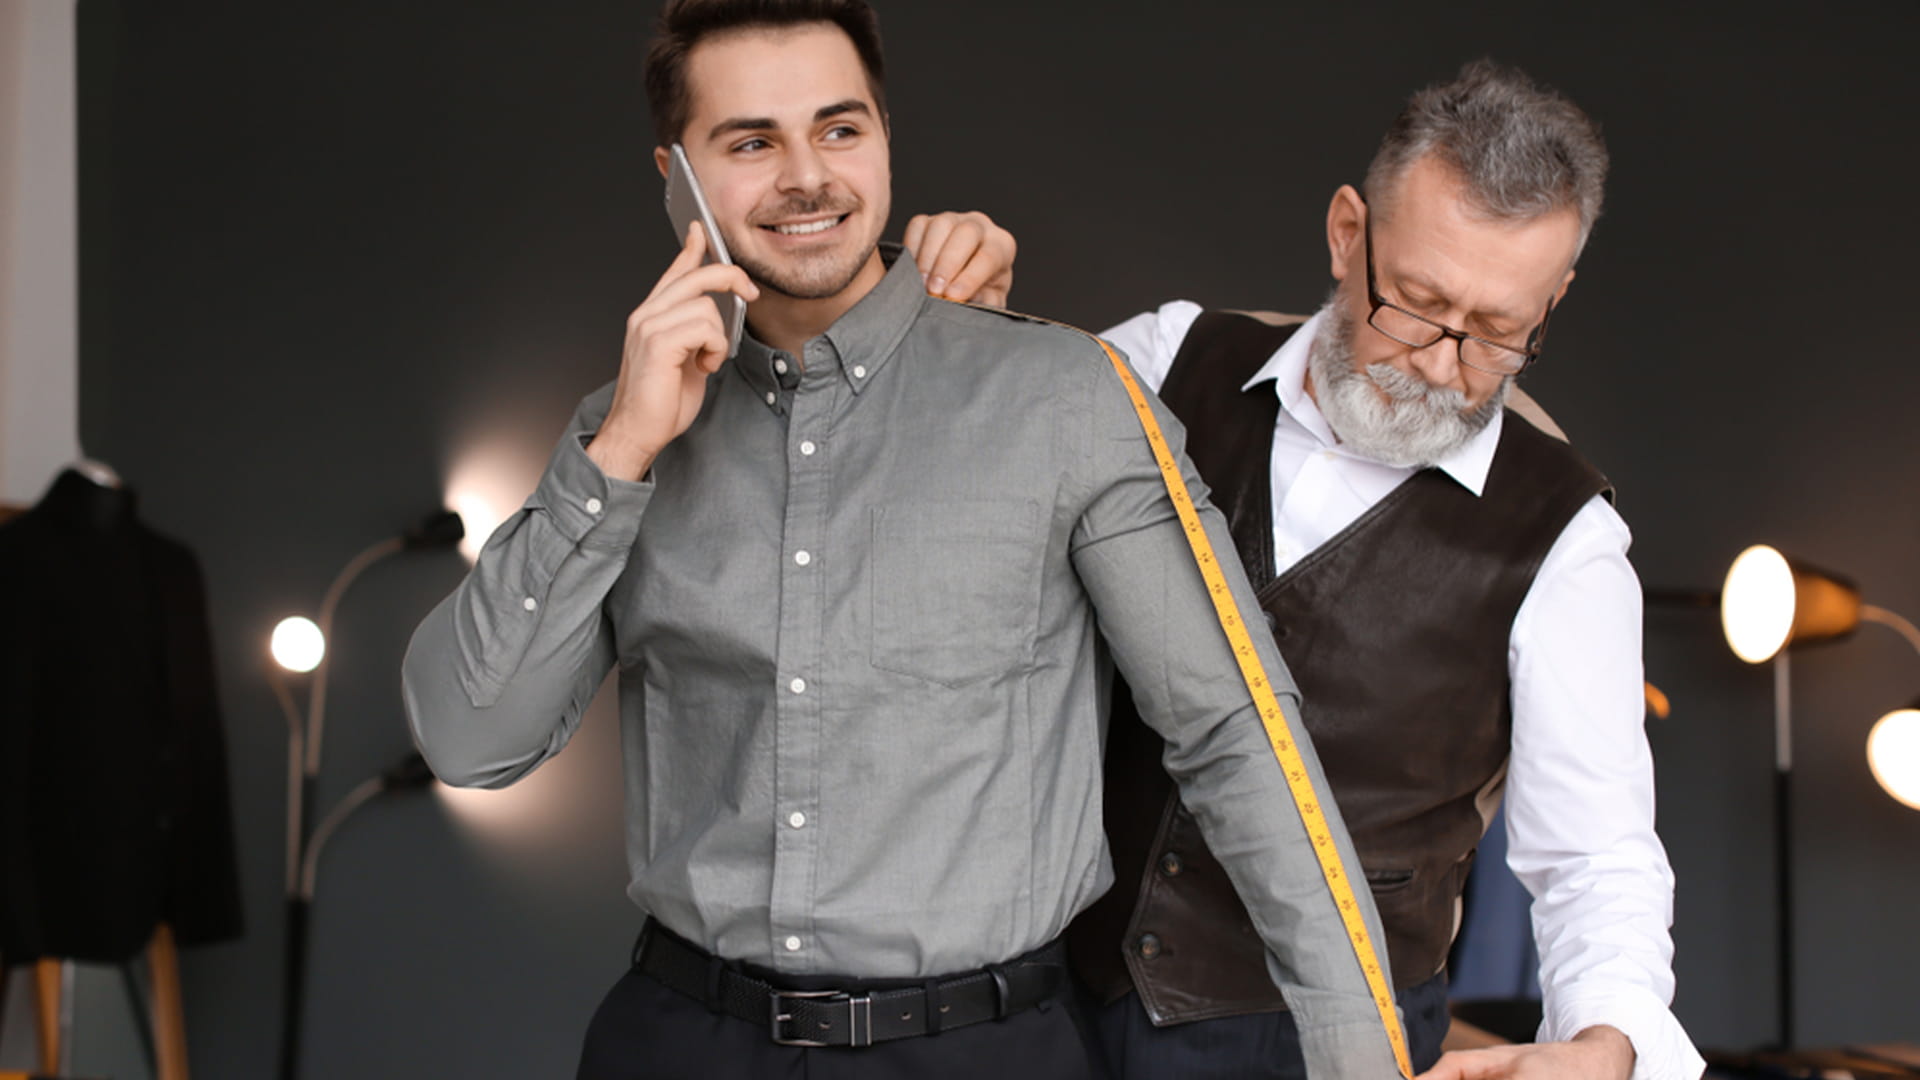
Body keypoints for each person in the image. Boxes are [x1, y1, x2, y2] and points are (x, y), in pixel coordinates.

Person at [401, 2, 1406, 1077]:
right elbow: (469, 741)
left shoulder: (1066, 398)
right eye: (751, 143)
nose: (807, 178)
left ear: (884, 134)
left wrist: (1359, 1055)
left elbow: (1234, 731)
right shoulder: (627, 433)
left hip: (982, 1049)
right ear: (675, 173)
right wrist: (619, 453)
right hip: (681, 1038)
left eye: (839, 129)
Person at [960, 61, 1702, 1080]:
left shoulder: (1565, 537)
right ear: (1348, 233)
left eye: (1497, 334)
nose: (1440, 365)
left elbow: (1595, 857)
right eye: (1417, 305)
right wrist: (971, 348)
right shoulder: (1164, 362)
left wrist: (1607, 1045)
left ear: (1554, 300)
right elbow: (959, 547)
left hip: (1323, 1049)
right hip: (1048, 1004)